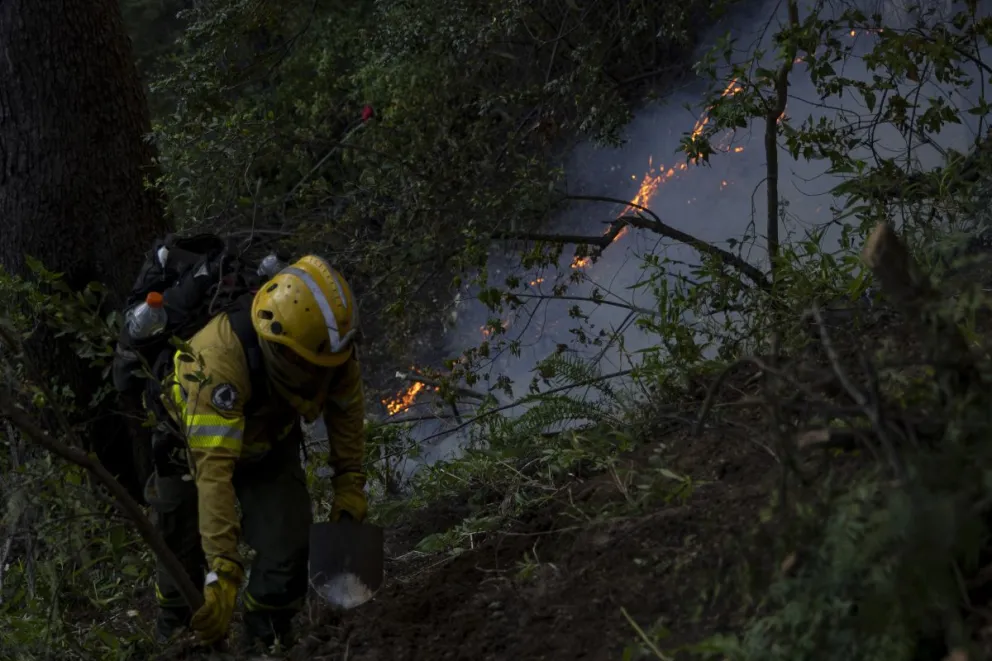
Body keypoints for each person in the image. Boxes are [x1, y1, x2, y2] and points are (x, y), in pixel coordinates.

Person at [144, 254, 369, 649]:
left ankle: (265, 640)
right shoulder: (216, 362)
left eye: (329, 366)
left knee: (289, 545)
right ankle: (178, 639)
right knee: (178, 557)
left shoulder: (330, 353)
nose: (322, 376)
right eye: (311, 366)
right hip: (190, 452)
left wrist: (350, 482)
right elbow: (213, 476)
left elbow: (346, 413)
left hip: (264, 442)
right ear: (279, 345)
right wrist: (223, 570)